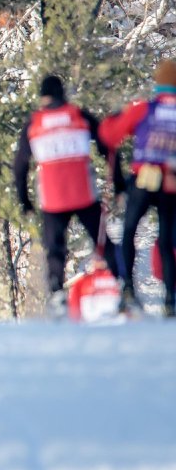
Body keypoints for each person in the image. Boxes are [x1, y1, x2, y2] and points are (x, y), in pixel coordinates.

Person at [12, 75, 118, 301]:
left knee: (55, 249)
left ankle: (57, 294)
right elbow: (107, 147)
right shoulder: (79, 115)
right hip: (83, 193)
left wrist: (24, 200)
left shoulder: (34, 123)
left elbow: (20, 165)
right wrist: (119, 183)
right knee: (103, 243)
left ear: (43, 97)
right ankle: (122, 284)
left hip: (53, 198)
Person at [100, 59, 176, 315]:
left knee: (130, 230)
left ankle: (128, 288)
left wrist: (115, 114)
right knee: (166, 240)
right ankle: (170, 298)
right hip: (171, 182)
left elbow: (109, 135)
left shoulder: (144, 109)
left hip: (144, 178)